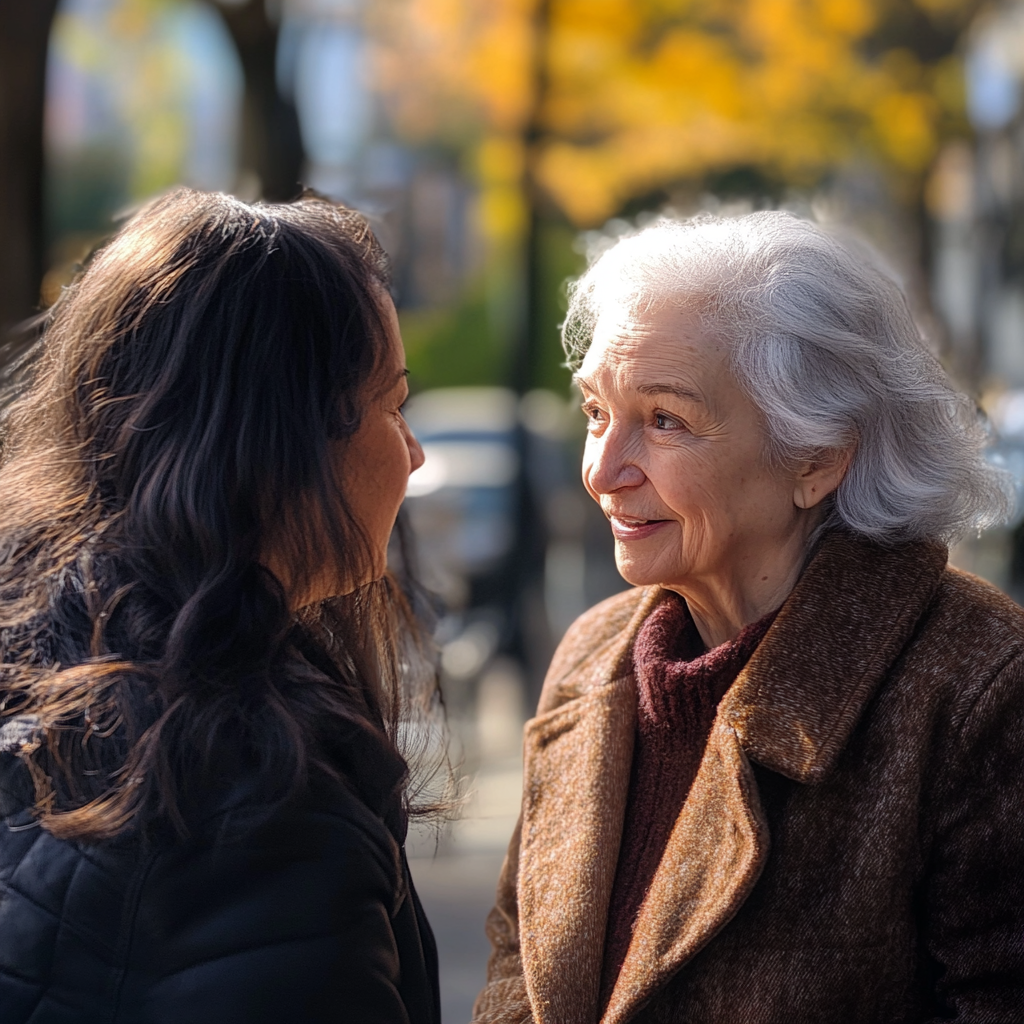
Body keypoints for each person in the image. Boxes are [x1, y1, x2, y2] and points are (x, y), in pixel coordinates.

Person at [474, 212, 1024, 1023]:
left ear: (818, 458)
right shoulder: (592, 655)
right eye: (596, 411)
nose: (603, 469)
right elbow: (515, 969)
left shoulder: (978, 685)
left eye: (664, 419)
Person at [0, 188, 442, 1024]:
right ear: (277, 439)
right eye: (394, 405)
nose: (413, 455)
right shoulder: (253, 804)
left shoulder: (51, 671)